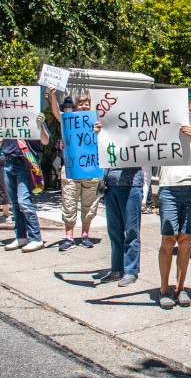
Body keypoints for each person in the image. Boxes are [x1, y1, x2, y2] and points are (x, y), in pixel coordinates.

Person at [157, 97, 191, 309]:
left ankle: (180, 288)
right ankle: (163, 289)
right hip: (169, 188)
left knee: (186, 240)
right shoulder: (166, 131)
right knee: (168, 240)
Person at [0, 112, 50, 252]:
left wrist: (41, 124)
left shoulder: (35, 117)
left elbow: (45, 141)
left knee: (23, 201)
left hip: (25, 164)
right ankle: (21, 237)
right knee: (15, 203)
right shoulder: (8, 120)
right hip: (9, 162)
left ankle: (36, 238)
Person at [44, 88, 102, 251]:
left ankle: (85, 235)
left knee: (89, 205)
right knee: (69, 203)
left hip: (91, 170)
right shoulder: (68, 120)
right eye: (80, 104)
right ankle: (69, 237)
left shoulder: (96, 122)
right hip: (72, 170)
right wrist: (53, 96)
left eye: (86, 104)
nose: (83, 106)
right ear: (76, 106)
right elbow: (57, 112)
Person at [93, 122, 143, 287]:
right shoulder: (106, 129)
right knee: (114, 231)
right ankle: (116, 269)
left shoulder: (137, 128)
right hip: (110, 184)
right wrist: (98, 133)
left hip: (130, 184)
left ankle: (130, 271)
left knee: (131, 231)